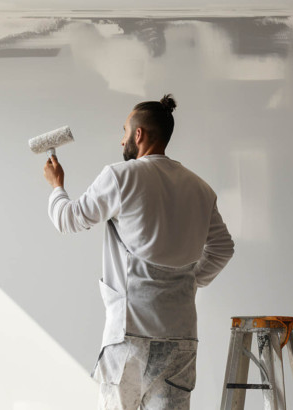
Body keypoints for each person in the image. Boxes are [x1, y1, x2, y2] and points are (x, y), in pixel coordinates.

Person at [43, 94, 234, 410]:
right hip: (181, 337)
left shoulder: (122, 175)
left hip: (130, 334)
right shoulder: (201, 188)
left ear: (139, 134)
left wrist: (57, 185)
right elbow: (223, 248)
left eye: (124, 131)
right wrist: (185, 281)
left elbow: (69, 219)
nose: (121, 141)